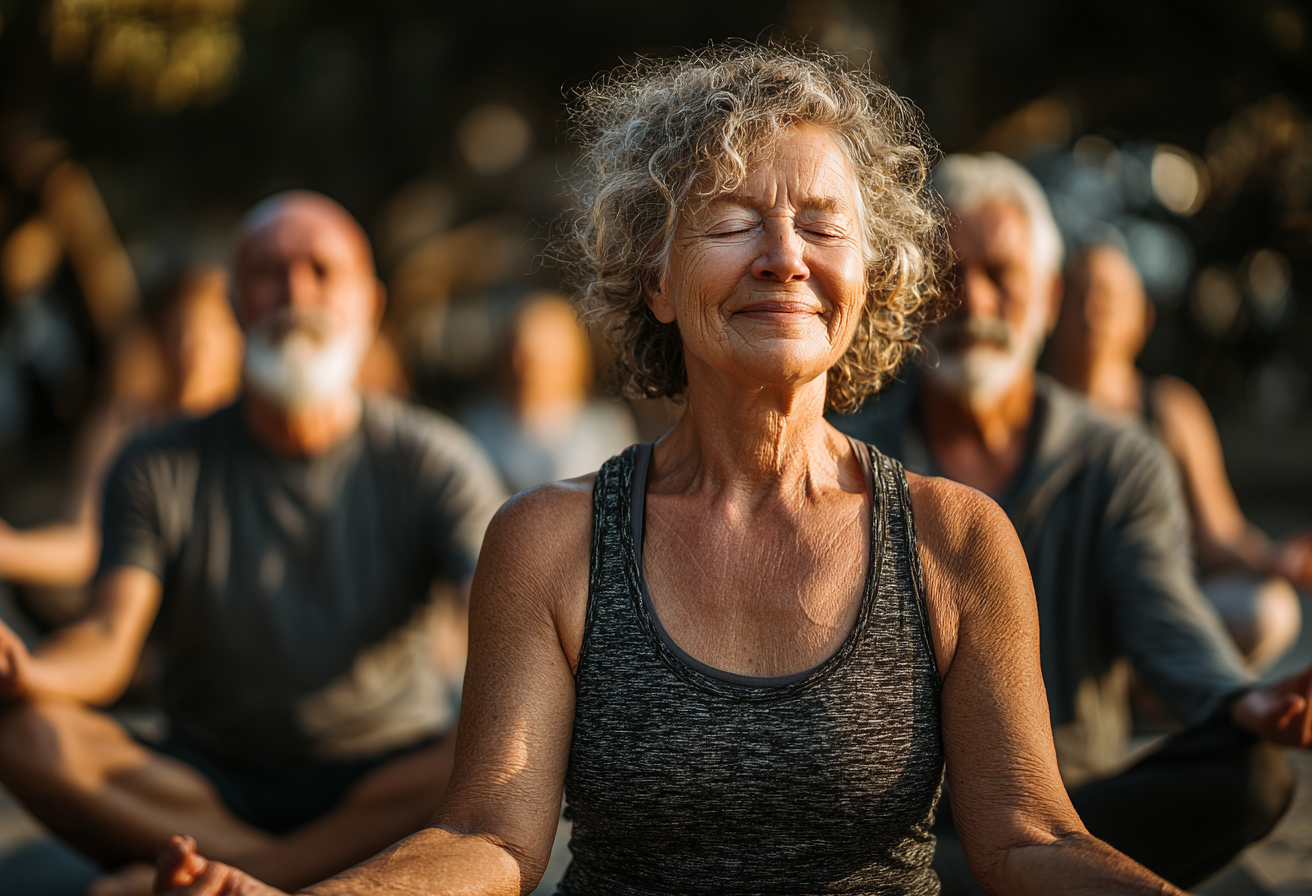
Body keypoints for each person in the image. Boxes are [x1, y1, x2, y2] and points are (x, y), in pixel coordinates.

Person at [154, 45, 1217, 896]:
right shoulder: (551, 539)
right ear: (654, 276)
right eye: (732, 218)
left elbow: (1027, 838)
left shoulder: (956, 538)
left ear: (868, 278)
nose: (784, 256)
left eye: (820, 224)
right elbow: (488, 836)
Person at [0, 192, 506, 894]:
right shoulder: (156, 462)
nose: (295, 291)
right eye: (269, 272)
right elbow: (108, 642)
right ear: (236, 305)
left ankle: (242, 878)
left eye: (321, 271)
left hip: (390, 777)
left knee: (503, 743)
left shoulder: (434, 459)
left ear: (371, 304)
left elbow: (500, 623)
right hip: (202, 782)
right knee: (22, 731)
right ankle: (287, 873)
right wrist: (30, 674)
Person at [830, 152, 1309, 890]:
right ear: (917, 297)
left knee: (1251, 775)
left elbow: (1168, 625)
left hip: (1075, 804)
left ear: (1050, 297)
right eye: (951, 279)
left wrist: (1244, 701)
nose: (976, 302)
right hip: (909, 818)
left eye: (1002, 275)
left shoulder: (1118, 459)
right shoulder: (848, 456)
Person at [1049, 242, 1307, 670]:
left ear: (1142, 317)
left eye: (1109, 299)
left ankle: (1160, 692)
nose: (1094, 312)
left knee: (1266, 610)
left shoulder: (1170, 408)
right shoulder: (1027, 407)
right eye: (1079, 297)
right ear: (1050, 308)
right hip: (1059, 623)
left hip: (1159, 613)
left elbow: (1219, 534)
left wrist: (1281, 560)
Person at [0, 264, 244, 604]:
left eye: (211, 328)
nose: (192, 344)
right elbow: (89, 543)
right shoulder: (124, 424)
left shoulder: (256, 430)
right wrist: (9, 549)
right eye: (180, 325)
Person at [463, 292, 637, 492]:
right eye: (518, 352)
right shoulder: (477, 431)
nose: (522, 366)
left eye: (538, 356)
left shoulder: (606, 430)